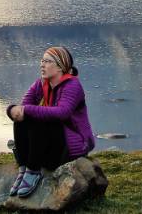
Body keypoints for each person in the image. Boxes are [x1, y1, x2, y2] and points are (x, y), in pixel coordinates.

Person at [6, 45, 95, 198]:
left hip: (70, 148)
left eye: (47, 61)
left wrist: (25, 110)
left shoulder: (72, 85)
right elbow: (23, 110)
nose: (42, 64)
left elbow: (62, 113)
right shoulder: (41, 84)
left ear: (60, 66)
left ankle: (33, 171)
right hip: (50, 145)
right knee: (23, 120)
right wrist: (12, 110)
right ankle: (24, 168)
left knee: (39, 118)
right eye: (42, 60)